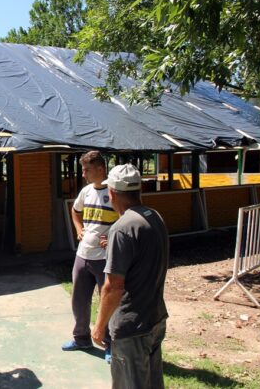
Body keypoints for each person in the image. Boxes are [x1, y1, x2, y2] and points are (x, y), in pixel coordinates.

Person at [91, 164, 169, 389]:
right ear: (139, 190)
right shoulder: (154, 216)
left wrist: (99, 326)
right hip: (155, 318)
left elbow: (113, 287)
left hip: (131, 327)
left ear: (112, 192)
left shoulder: (122, 228)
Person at [62, 151, 118, 364]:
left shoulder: (114, 193)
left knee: (108, 302)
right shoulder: (86, 192)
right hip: (83, 255)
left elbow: (125, 217)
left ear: (100, 169)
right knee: (79, 300)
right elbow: (75, 211)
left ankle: (109, 343)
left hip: (105, 258)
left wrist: (112, 235)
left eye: (87, 170)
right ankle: (81, 338)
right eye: (83, 170)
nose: (83, 174)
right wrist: (78, 229)